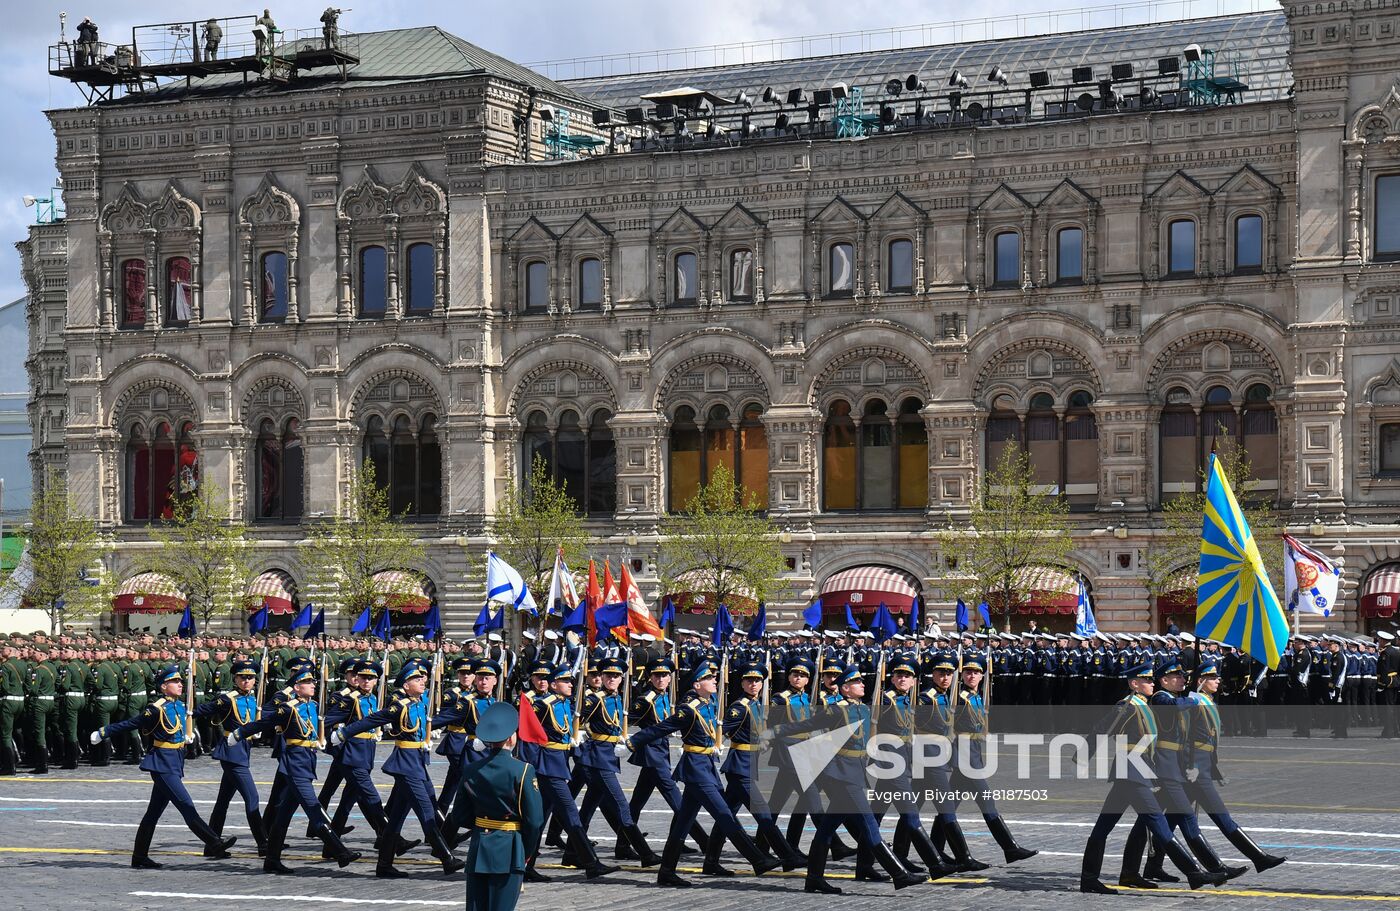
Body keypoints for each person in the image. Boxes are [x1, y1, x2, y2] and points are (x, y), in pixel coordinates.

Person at [626, 658, 783, 888]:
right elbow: (662, 727)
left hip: (706, 766)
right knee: (725, 816)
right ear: (697, 685)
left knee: (683, 822)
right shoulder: (689, 710)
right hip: (696, 769)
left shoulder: (709, 704)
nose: (713, 680)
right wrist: (633, 742)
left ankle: (667, 871)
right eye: (707, 678)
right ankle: (758, 859)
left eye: (712, 677)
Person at [1078, 660, 1229, 894]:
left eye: (1151, 679)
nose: (1150, 683)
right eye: (1146, 680)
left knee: (1103, 827)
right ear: (1134, 684)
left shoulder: (1144, 706)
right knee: (1159, 825)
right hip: (1131, 773)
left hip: (1135, 774)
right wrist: (1082, 756)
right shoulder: (1128, 705)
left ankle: (1102, 877)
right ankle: (1194, 873)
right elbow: (1102, 728)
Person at [91, 665, 238, 868]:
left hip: (175, 760)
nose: (179, 684)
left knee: (153, 813)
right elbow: (132, 723)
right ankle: (214, 842)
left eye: (180, 681)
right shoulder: (156, 708)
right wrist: (104, 732)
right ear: (163, 687)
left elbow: (188, 719)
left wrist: (186, 736)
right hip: (162, 763)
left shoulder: (179, 705)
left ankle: (139, 856)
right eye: (174, 682)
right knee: (186, 805)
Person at [330, 662, 466, 878]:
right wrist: (343, 733)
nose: (422, 682)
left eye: (423, 679)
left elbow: (431, 721)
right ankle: (446, 858)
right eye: (417, 679)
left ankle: (384, 864)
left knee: (395, 819)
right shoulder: (400, 705)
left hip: (418, 763)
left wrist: (432, 733)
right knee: (426, 812)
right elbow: (372, 720)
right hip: (406, 765)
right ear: (405, 684)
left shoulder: (420, 703)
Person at [230, 665, 361, 874]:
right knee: (314, 808)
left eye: (312, 682)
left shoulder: (313, 705)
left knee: (283, 815)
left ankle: (271, 859)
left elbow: (320, 727)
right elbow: (265, 722)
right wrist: (239, 733)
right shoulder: (288, 708)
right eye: (308, 683)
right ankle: (340, 852)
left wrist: (326, 742)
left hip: (307, 762)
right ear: (297, 687)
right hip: (294, 764)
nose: (313, 685)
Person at [1182, 658, 1286, 874]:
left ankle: (1152, 865)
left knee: (1171, 821)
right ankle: (1259, 857)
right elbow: (1183, 738)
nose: (1218, 680)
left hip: (1203, 767)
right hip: (1195, 771)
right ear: (1201, 681)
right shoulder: (1195, 703)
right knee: (1221, 816)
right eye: (1212, 677)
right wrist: (1189, 765)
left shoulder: (1206, 701)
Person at [451, 702, 543, 911]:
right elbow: (535, 821)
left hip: (478, 849)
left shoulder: (471, 769)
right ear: (512, 737)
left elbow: (459, 816)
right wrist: (525, 853)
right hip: (510, 850)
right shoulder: (523, 770)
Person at [193, 659, 267, 856]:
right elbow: (201, 710)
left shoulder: (254, 699)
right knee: (252, 797)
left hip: (244, 750)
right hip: (232, 753)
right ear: (235, 679)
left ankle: (211, 845)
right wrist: (188, 710)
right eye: (243, 678)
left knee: (223, 800)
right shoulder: (228, 699)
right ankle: (263, 843)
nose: (247, 681)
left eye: (250, 678)